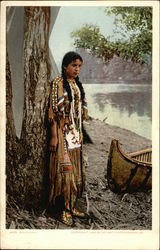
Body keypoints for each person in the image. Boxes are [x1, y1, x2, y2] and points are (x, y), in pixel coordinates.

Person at [48, 51, 88, 226]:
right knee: (65, 173)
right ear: (65, 66)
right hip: (63, 136)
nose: (77, 69)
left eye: (79, 66)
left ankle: (71, 206)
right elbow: (54, 113)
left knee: (76, 172)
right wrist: (54, 136)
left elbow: (79, 111)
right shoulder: (58, 83)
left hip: (75, 136)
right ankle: (63, 209)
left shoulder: (76, 84)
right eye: (74, 65)